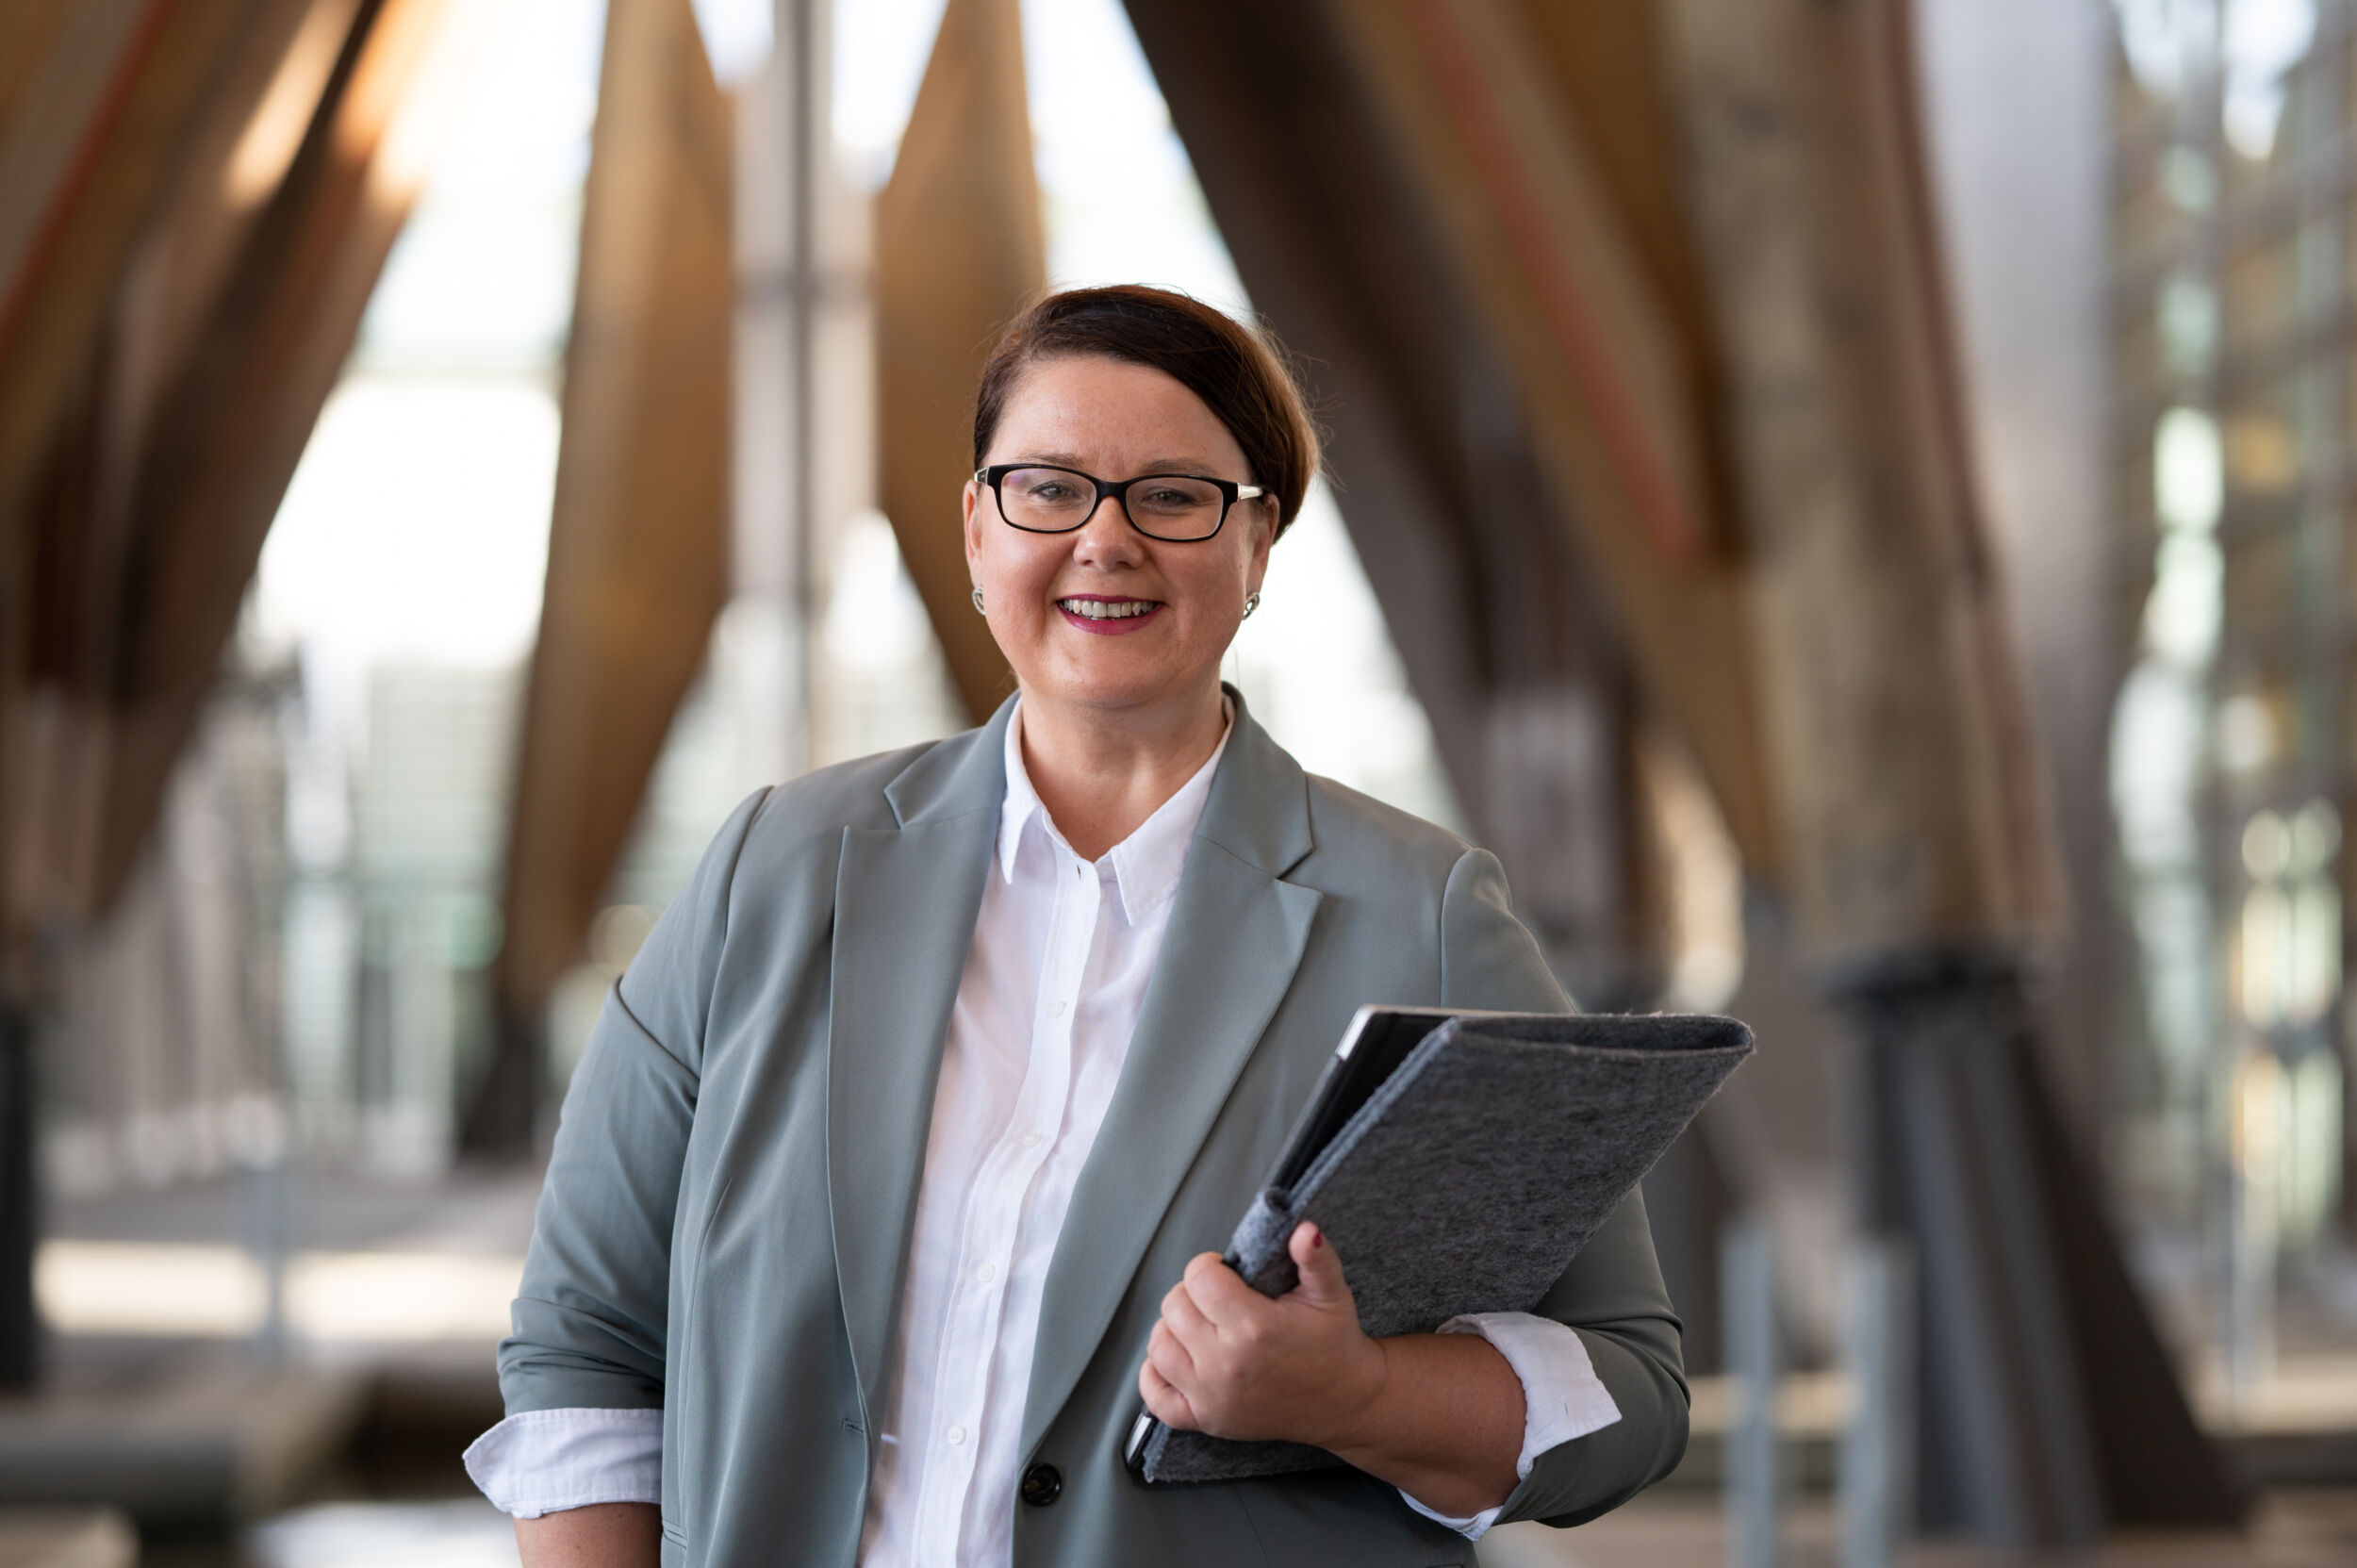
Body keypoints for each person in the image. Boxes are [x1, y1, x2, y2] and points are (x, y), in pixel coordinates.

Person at [464, 286, 1688, 1567]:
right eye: (1048, 488)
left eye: (1173, 494)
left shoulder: (1422, 922)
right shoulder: (771, 874)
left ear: (1258, 547)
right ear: (978, 530)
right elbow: (589, 1343)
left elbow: (1628, 1393)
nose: (1106, 541)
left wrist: (1360, 1398)